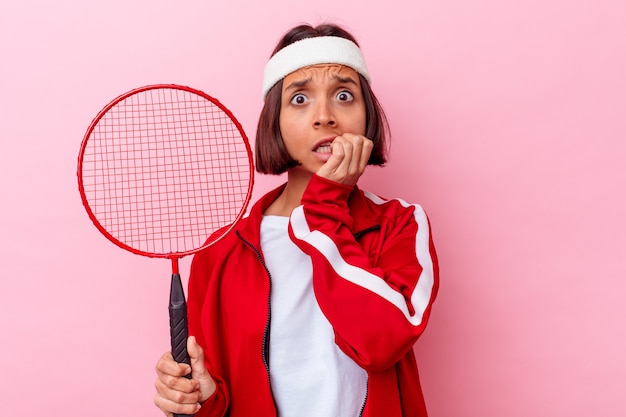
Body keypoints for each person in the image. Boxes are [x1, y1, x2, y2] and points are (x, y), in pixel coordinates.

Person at [154, 22, 439, 417]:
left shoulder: (401, 224)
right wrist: (200, 399)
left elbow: (381, 343)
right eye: (300, 99)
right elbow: (218, 394)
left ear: (367, 115)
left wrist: (325, 205)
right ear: (274, 121)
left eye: (344, 95)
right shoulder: (220, 251)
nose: (324, 116)